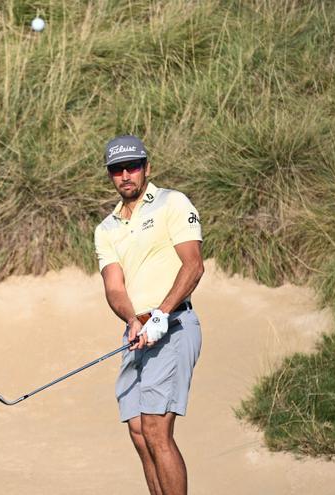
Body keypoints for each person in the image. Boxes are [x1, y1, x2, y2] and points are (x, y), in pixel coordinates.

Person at [93, 135, 204, 495]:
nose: (126, 175)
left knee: (157, 428)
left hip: (173, 325)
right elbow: (114, 287)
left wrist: (160, 313)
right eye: (117, 170)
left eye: (133, 167)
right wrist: (133, 320)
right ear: (111, 175)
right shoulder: (106, 228)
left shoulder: (172, 203)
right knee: (139, 432)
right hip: (138, 333)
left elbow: (193, 265)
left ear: (146, 168)